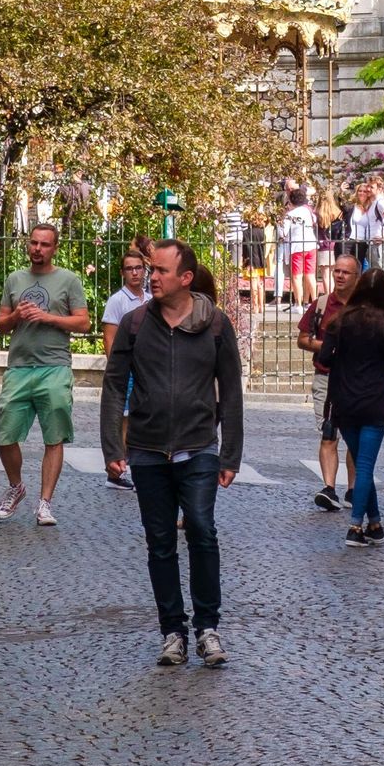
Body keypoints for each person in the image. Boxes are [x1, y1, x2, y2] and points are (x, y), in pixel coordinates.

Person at [101, 242, 242, 668]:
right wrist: (113, 446)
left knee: (201, 528)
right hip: (146, 449)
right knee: (160, 543)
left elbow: (232, 390)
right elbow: (113, 386)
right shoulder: (135, 323)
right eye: (149, 269)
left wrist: (230, 453)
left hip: (199, 446)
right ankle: (172, 632)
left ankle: (208, 628)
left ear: (185, 278)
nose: (151, 276)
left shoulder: (216, 324)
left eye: (160, 270)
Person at [0, 221, 91, 525]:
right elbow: (0, 325)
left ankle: (45, 503)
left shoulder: (69, 280)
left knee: (55, 436)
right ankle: (16, 487)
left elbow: (84, 323)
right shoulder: (14, 278)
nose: (38, 249)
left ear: (55, 247)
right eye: (34, 243)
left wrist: (48, 317)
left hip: (55, 366)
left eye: (45, 244)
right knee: (5, 433)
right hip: (19, 366)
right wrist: (16, 315)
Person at [316, 269, 384, 545]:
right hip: (374, 403)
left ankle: (374, 523)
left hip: (345, 403)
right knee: (364, 466)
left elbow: (324, 358)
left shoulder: (339, 322)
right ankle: (355, 527)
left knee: (363, 465)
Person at [299, 250, 360, 510]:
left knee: (354, 437)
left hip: (355, 381)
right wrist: (328, 346)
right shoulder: (322, 304)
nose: (340, 275)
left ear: (357, 276)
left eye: (346, 272)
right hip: (326, 376)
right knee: (328, 434)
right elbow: (302, 338)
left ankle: (353, 490)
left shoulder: (364, 307)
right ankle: (329, 488)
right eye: (337, 270)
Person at [101, 247, 149, 490]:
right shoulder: (117, 300)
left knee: (141, 419)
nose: (135, 273)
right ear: (122, 273)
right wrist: (116, 370)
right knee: (125, 421)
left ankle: (134, 464)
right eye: (129, 269)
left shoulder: (150, 299)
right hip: (127, 369)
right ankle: (117, 471)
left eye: (138, 268)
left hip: (147, 369)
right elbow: (109, 337)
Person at [278, 186, 319, 311]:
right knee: (310, 275)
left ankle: (298, 304)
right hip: (311, 244)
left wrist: (279, 222)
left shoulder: (290, 215)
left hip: (297, 246)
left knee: (296, 276)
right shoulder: (308, 212)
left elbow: (283, 233)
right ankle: (315, 302)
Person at [349, 176, 384, 268]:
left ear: (379, 189)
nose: (368, 189)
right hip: (371, 244)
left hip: (378, 245)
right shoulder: (374, 203)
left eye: (371, 187)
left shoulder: (381, 202)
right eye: (368, 186)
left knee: (381, 272)